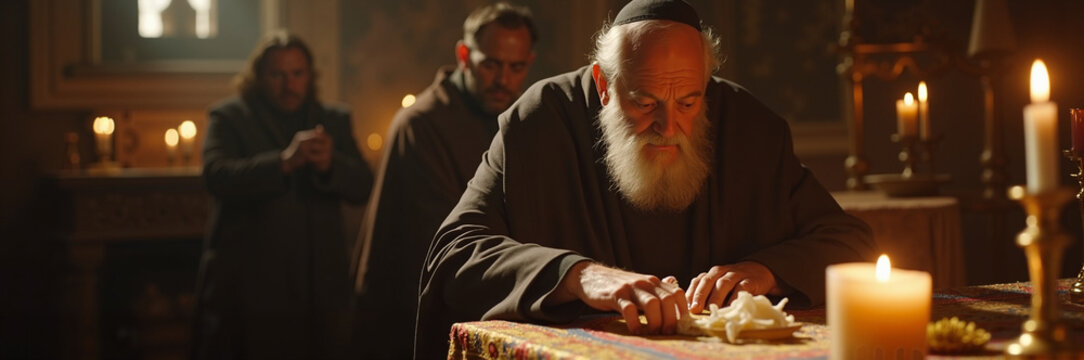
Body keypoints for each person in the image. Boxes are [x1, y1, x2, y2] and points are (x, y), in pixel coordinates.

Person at [415, 0, 877, 358]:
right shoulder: (539, 122)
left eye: (689, 102)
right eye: (645, 103)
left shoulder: (749, 127)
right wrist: (578, 276)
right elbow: (454, 252)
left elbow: (849, 241)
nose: (670, 126)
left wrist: (768, 271)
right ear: (603, 85)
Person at [350, 3, 537, 359]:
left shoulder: (515, 120)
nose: (503, 79)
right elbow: (442, 238)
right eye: (491, 64)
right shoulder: (421, 123)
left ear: (529, 61)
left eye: (516, 67)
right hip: (417, 307)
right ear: (464, 55)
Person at [193, 31, 373, 360]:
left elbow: (363, 186)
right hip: (252, 288)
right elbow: (216, 177)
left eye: (297, 74)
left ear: (309, 75)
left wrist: (331, 164)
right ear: (259, 77)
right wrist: (283, 163)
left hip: (320, 288)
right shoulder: (229, 118)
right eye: (277, 74)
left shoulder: (333, 119)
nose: (288, 84)